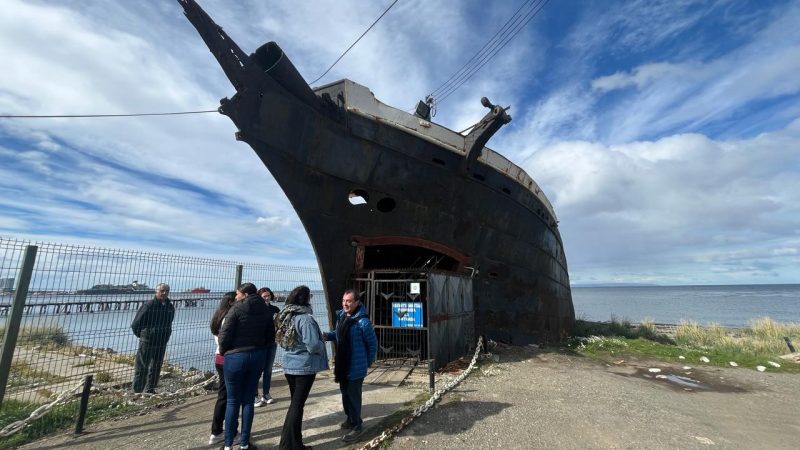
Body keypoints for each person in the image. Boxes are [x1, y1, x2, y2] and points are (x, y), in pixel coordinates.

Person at [218, 282, 275, 450]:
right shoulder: (266, 309)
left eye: (237, 294)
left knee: (232, 401)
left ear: (245, 294)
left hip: (235, 357)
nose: (236, 297)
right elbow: (270, 335)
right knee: (248, 401)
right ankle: (244, 444)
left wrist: (224, 351)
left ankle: (228, 445)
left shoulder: (235, 309)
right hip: (257, 355)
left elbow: (224, 334)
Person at [276, 285, 328, 450]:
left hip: (289, 365)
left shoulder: (286, 315)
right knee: (297, 406)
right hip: (304, 367)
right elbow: (312, 345)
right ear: (306, 299)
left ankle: (294, 443)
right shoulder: (305, 318)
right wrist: (322, 342)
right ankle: (288, 445)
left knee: (295, 404)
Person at [322, 289, 378, 443]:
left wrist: (366, 363)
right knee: (345, 395)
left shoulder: (363, 322)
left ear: (357, 302)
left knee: (354, 397)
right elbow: (338, 333)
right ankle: (350, 419)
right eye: (344, 301)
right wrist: (327, 335)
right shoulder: (342, 317)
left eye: (349, 301)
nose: (345, 304)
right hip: (342, 366)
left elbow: (373, 345)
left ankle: (357, 426)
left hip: (355, 368)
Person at [130, 282, 175, 394]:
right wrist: (145, 335)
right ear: (156, 291)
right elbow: (136, 324)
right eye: (162, 291)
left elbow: (169, 322)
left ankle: (150, 389)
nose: (164, 293)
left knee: (156, 367)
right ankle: (137, 391)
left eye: (167, 291)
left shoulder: (169, 307)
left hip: (161, 341)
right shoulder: (148, 305)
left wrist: (166, 334)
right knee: (142, 367)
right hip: (148, 341)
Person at [208, 292, 240, 446]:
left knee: (223, 396)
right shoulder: (230, 318)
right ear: (231, 302)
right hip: (229, 358)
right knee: (232, 398)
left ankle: (216, 430)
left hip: (219, 359)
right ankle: (231, 432)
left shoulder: (218, 317)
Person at [255, 287, 280, 407]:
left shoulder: (275, 309)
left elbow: (280, 326)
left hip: (272, 342)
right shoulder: (255, 310)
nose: (267, 298)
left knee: (268, 370)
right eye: (264, 296)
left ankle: (266, 393)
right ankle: (255, 394)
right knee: (257, 370)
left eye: (268, 296)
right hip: (259, 344)